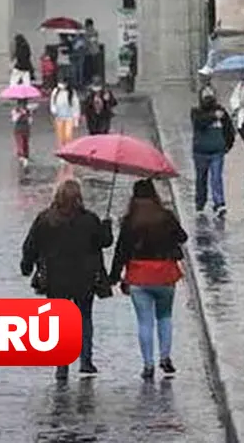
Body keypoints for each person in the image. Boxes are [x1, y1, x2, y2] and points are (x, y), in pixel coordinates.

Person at [20, 179, 114, 380]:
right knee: (84, 318)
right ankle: (86, 360)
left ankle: (62, 365)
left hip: (56, 279)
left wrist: (26, 266)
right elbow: (104, 242)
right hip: (85, 278)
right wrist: (106, 226)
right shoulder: (89, 219)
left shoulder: (46, 219)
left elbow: (31, 245)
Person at [109, 179, 188, 380]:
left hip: (139, 275)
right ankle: (165, 356)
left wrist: (114, 276)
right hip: (164, 274)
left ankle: (148, 364)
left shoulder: (130, 221)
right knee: (165, 317)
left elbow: (121, 251)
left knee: (144, 322)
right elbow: (183, 237)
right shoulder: (165, 216)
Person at [192, 86, 236, 216]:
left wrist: (227, 145)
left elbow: (229, 129)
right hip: (200, 152)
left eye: (210, 93)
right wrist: (213, 116)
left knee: (216, 178)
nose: (208, 96)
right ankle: (200, 203)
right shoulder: (196, 112)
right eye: (205, 94)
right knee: (201, 178)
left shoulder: (221, 112)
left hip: (217, 152)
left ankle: (219, 203)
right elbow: (199, 123)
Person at [50, 79, 81, 148]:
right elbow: (52, 102)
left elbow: (76, 105)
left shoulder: (72, 92)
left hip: (69, 117)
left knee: (68, 135)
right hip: (59, 117)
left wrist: (76, 118)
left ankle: (68, 148)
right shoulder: (55, 91)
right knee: (60, 136)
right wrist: (54, 111)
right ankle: (62, 149)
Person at [11, 99, 32, 167]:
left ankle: (26, 156)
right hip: (18, 130)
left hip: (26, 129)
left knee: (25, 143)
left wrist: (28, 115)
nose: (23, 105)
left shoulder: (28, 111)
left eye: (24, 104)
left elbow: (30, 121)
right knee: (20, 143)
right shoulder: (15, 111)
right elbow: (14, 120)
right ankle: (21, 156)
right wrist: (20, 114)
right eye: (21, 104)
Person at [83, 18, 102, 83]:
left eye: (87, 25)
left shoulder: (93, 32)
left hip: (93, 52)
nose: (86, 27)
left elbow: (90, 41)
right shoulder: (86, 32)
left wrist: (87, 38)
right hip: (88, 53)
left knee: (94, 68)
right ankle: (90, 80)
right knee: (89, 68)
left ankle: (94, 81)